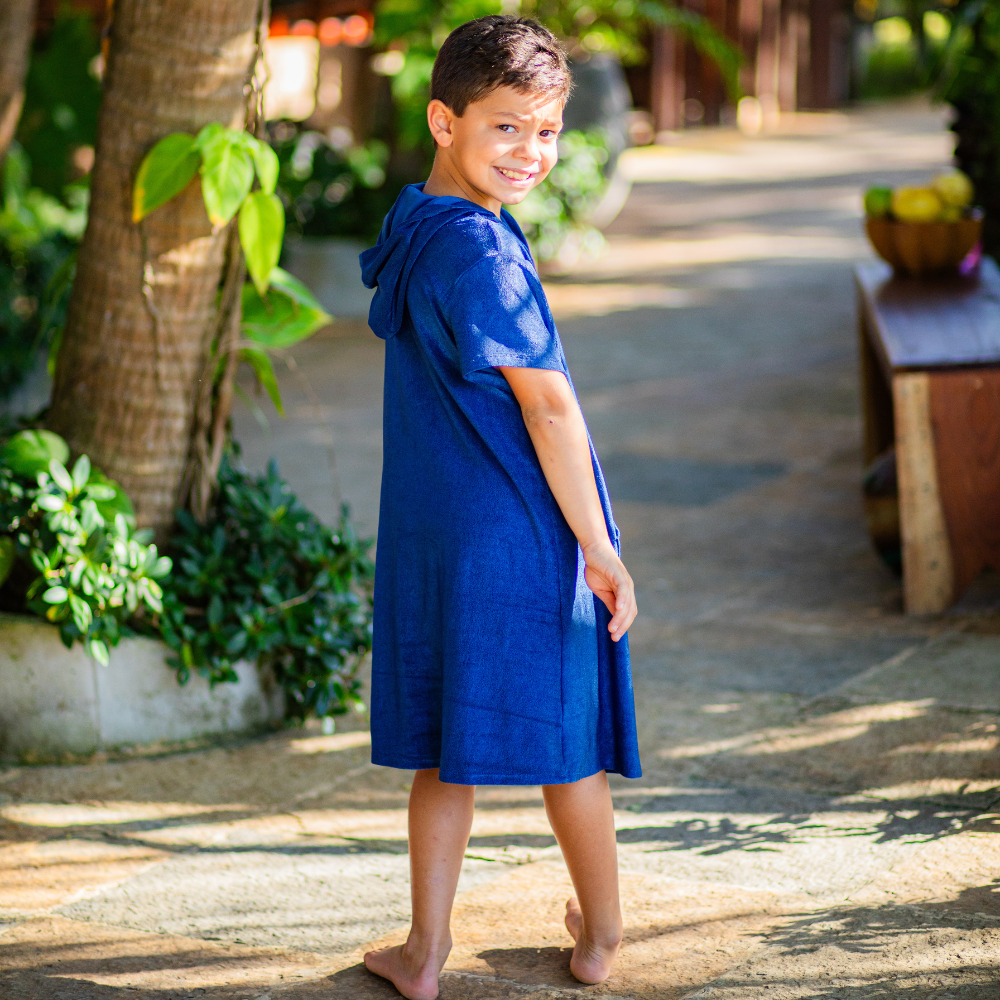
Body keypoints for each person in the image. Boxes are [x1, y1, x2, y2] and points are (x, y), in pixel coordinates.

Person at [359, 15, 641, 1000]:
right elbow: (548, 405)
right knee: (569, 742)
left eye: (548, 130)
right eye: (506, 127)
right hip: (518, 530)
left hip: (436, 531)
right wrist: (597, 544)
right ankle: (601, 935)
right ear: (444, 121)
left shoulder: (417, 223)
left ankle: (423, 953)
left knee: (445, 749)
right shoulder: (484, 253)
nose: (531, 152)